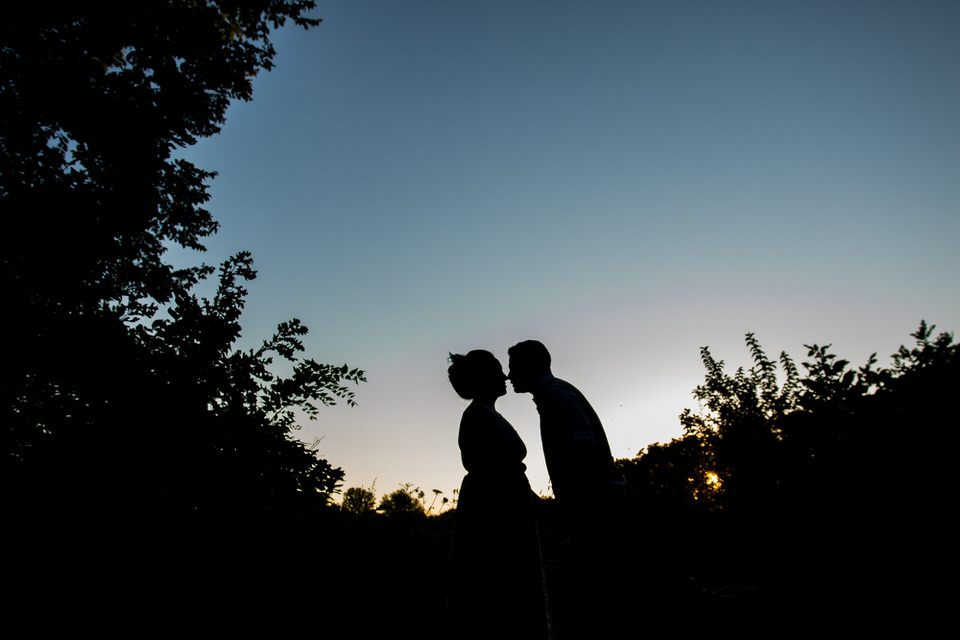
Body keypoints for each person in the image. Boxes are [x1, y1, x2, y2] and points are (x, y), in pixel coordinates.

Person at [507, 340, 626, 637]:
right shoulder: (554, 394)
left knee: (599, 594)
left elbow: (583, 447)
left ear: (530, 366)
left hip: (598, 507)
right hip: (596, 504)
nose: (509, 376)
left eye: (513, 367)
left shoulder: (555, 395)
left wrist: (569, 508)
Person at [447, 350, 549, 640]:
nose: (505, 376)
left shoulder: (486, 414)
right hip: (494, 514)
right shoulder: (478, 415)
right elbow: (493, 471)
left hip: (504, 506)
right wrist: (524, 499)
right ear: (482, 379)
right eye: (496, 371)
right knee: (497, 585)